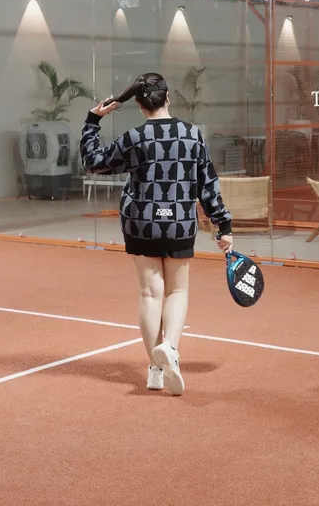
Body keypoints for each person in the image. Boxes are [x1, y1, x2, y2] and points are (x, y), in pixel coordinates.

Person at [80, 73, 233, 396]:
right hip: (179, 222)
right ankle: (170, 349)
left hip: (141, 222)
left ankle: (155, 369)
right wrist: (223, 225)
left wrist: (93, 120)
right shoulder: (192, 135)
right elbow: (208, 184)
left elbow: (93, 162)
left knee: (150, 293)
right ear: (168, 98)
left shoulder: (134, 137)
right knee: (177, 290)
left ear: (139, 105)